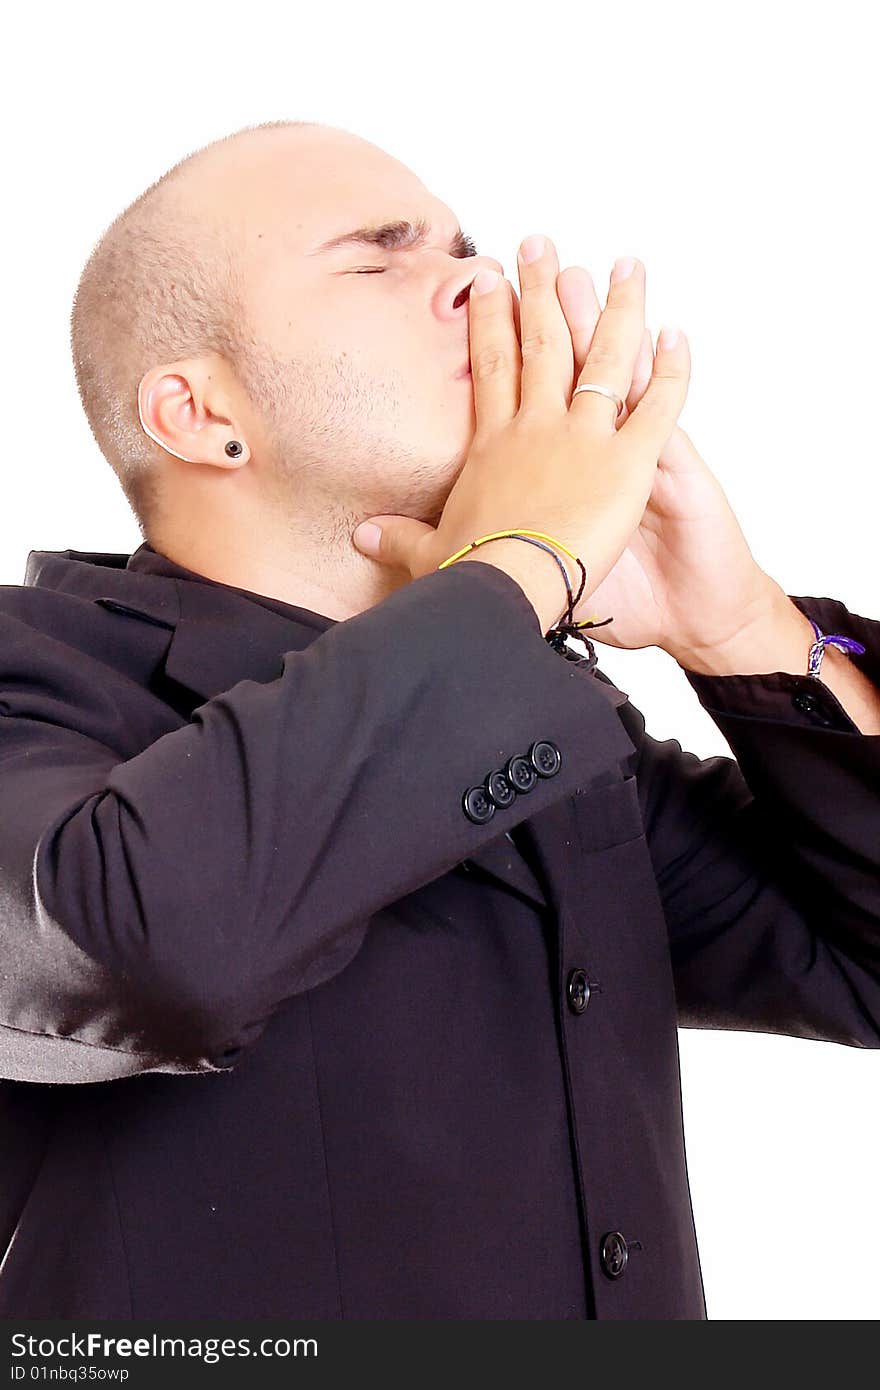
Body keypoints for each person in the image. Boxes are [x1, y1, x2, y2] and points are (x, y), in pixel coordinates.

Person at [0, 120, 877, 1320]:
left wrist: (743, 631)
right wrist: (518, 566)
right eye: (378, 258)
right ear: (201, 417)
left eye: (462, 246)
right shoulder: (32, 671)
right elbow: (136, 948)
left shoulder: (544, 722)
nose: (480, 279)